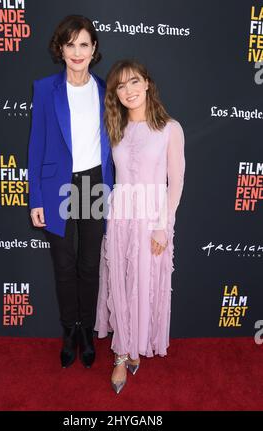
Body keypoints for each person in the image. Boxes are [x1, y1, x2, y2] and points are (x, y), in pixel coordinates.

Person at [28, 15, 113, 369]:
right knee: (64, 265)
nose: (77, 52)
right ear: (60, 49)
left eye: (84, 44)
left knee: (89, 265)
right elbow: (36, 145)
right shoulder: (45, 89)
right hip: (56, 185)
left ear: (94, 49)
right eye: (70, 44)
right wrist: (36, 198)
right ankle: (69, 330)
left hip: (93, 183)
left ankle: (87, 333)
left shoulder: (108, 91)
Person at [94, 60, 185, 393]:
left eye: (134, 82)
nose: (128, 91)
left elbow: (175, 182)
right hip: (120, 216)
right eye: (120, 86)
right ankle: (121, 354)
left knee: (143, 285)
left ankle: (134, 348)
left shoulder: (170, 128)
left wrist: (163, 227)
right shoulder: (115, 128)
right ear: (115, 94)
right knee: (120, 282)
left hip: (152, 218)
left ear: (147, 84)